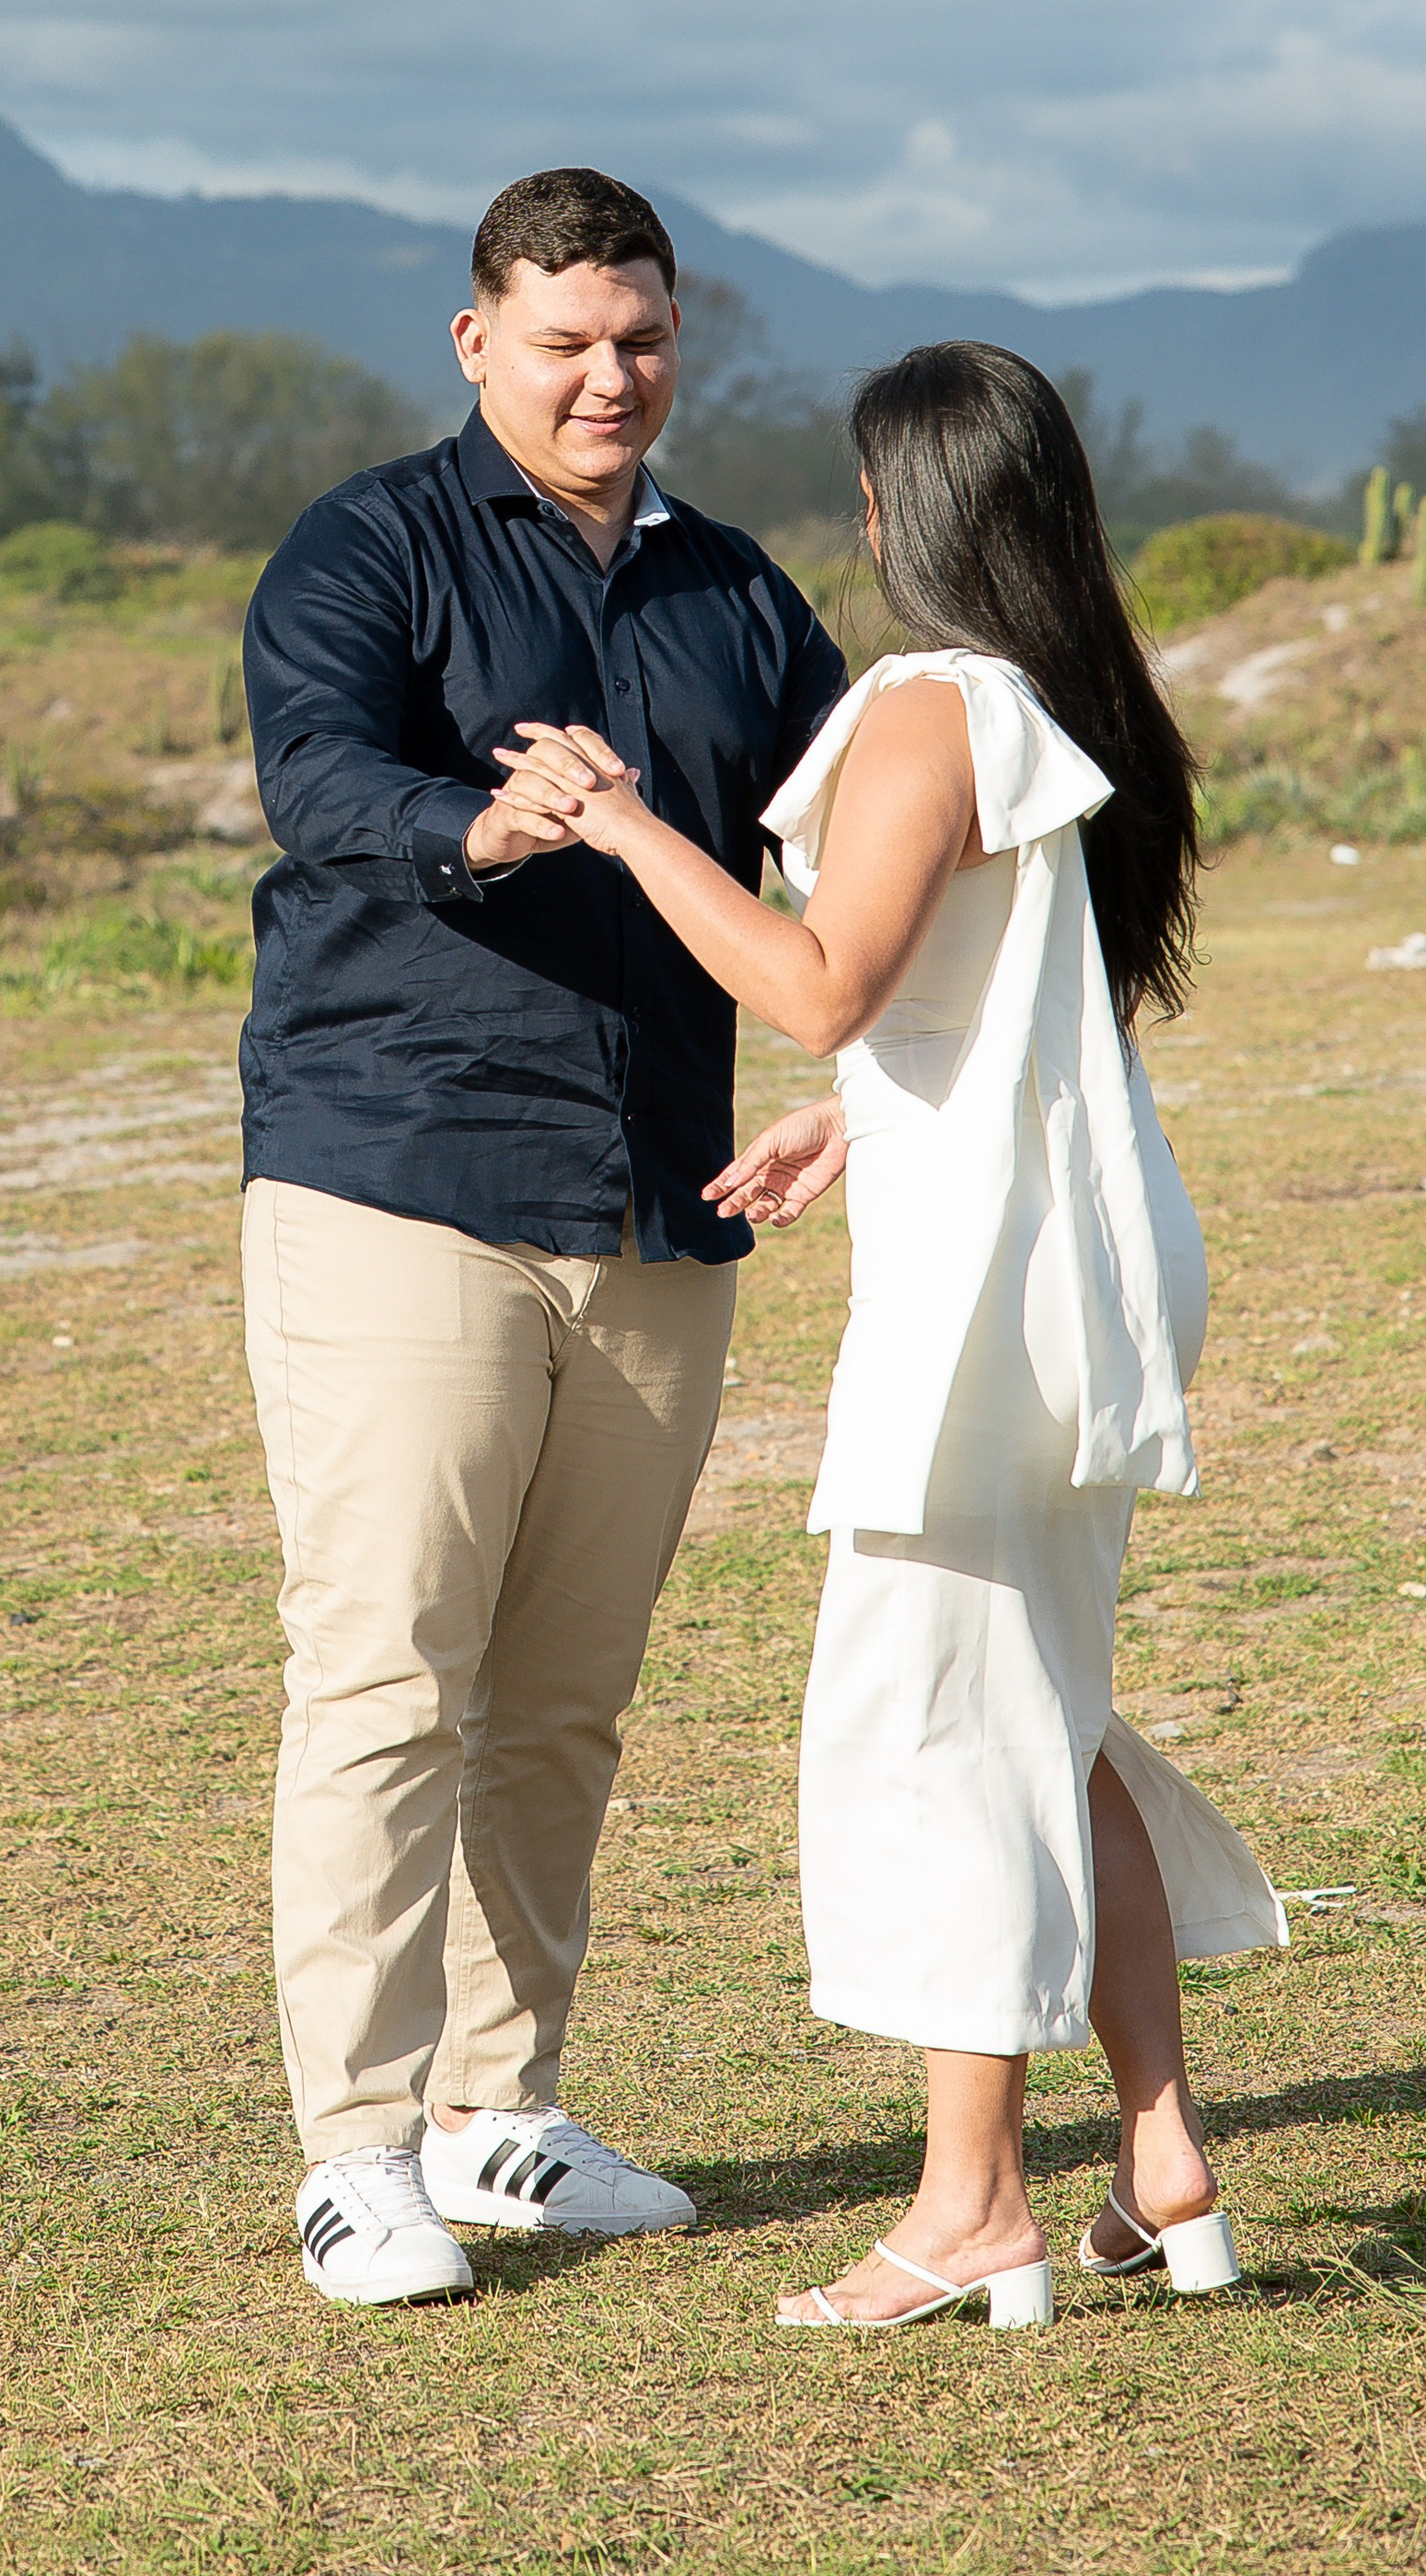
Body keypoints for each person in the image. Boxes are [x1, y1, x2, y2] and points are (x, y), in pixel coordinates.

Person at [493, 339, 1286, 2328]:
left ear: (889, 511)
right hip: (1070, 1252)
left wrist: (618, 822)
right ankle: (1160, 2158)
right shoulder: (1062, 702)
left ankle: (968, 2208)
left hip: (986, 1299)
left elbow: (826, 976)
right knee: (1038, 1706)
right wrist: (867, 1121)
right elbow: (1004, 1012)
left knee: (946, 1724)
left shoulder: (931, 702)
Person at [238, 167, 846, 2307]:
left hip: (660, 1201)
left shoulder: (741, 596)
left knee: (567, 1692)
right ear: (477, 339)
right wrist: (468, 818)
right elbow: (313, 771)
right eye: (568, 339)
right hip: (397, 1172)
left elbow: (853, 852)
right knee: (390, 1667)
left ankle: (505, 2118)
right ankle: (355, 2151)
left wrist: (858, 1078)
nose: (611, 378)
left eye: (645, 339)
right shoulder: (366, 544)